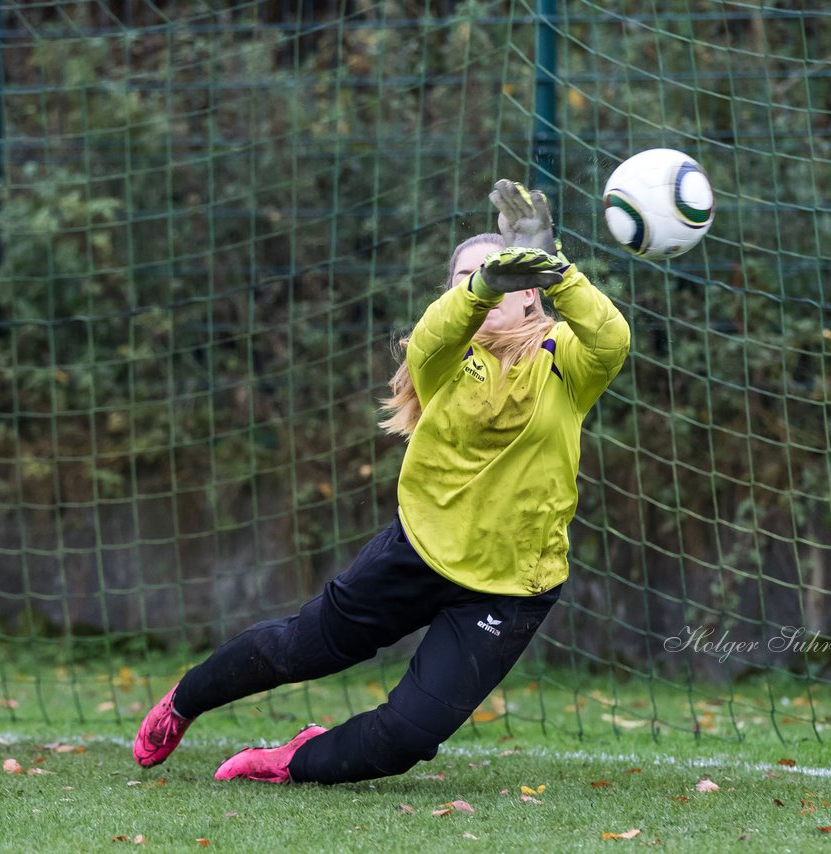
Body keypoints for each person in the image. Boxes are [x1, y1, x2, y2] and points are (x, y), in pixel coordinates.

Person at [133, 180, 631, 785]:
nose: (490, 279)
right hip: (417, 551)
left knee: (406, 738)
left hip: (511, 586)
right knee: (300, 648)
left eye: (506, 270)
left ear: (532, 294)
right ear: (457, 292)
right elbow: (433, 335)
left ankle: (293, 758)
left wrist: (558, 270)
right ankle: (183, 702)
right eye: (470, 275)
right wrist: (482, 286)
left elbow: (612, 337)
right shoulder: (442, 356)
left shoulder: (567, 360)